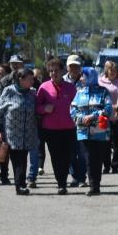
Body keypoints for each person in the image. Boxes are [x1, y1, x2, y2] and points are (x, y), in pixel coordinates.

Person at [35, 57, 78, 194]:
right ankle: (61, 183)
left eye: (56, 71)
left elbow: (77, 106)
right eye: (51, 71)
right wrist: (44, 109)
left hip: (68, 128)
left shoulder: (71, 88)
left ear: (62, 71)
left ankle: (63, 181)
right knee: (55, 156)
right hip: (50, 129)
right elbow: (36, 107)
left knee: (66, 157)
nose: (54, 73)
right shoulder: (44, 87)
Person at [71, 67, 115, 196]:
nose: (81, 78)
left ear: (91, 77)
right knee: (89, 159)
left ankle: (96, 184)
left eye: (83, 76)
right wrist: (82, 118)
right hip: (83, 132)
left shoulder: (103, 92)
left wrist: (93, 116)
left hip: (100, 132)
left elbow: (108, 108)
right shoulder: (79, 92)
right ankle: (93, 186)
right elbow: (73, 109)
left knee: (98, 159)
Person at [0, 68, 39, 195]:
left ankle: (21, 184)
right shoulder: (8, 91)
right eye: (30, 79)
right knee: (17, 160)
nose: (32, 81)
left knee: (23, 158)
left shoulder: (32, 93)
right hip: (12, 134)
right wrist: (0, 131)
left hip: (27, 133)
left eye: (33, 79)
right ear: (21, 79)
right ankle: (19, 185)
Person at [63, 55, 87, 187]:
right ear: (67, 67)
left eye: (76, 66)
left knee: (82, 152)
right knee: (70, 152)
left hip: (82, 122)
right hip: (66, 122)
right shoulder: (62, 81)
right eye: (71, 66)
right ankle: (74, 177)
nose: (74, 68)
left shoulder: (85, 81)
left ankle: (82, 177)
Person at [99, 60, 118, 174]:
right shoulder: (101, 82)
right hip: (105, 117)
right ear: (106, 71)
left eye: (115, 70)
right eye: (110, 70)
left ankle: (115, 166)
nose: (113, 72)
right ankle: (106, 166)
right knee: (105, 144)